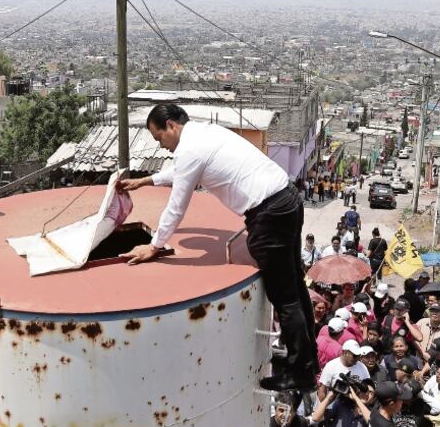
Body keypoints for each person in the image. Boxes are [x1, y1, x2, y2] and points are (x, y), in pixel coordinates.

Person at [117, 104, 315, 391]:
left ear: (171, 126)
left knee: (285, 297)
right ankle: (307, 361)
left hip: (269, 214)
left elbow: (177, 206)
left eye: (159, 138)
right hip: (286, 199)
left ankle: (301, 373)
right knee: (296, 286)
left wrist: (154, 245)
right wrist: (147, 180)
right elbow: (182, 172)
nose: (161, 146)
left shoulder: (190, 149)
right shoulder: (205, 133)